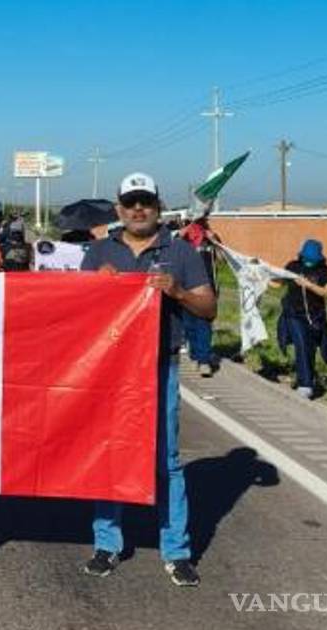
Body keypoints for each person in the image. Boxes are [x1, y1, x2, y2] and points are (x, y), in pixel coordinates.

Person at [79, 173, 216, 587]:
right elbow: (76, 310)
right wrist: (94, 286)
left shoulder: (180, 250)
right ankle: (106, 543)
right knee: (110, 453)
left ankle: (177, 551)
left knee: (166, 460)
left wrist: (178, 291)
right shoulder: (99, 251)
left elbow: (208, 307)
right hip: (110, 371)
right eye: (131, 202)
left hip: (159, 366)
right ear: (119, 208)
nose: (138, 209)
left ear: (158, 206)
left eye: (146, 202)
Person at [276, 240, 327, 400]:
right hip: (294, 314)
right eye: (307, 258)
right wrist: (260, 273)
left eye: (312, 259)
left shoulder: (324, 270)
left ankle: (308, 377)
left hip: (315, 317)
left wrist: (309, 285)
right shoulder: (293, 266)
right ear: (302, 255)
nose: (309, 261)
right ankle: (305, 384)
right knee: (301, 344)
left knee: (310, 348)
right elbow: (277, 283)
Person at [178, 216, 221, 376]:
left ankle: (204, 360)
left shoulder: (210, 239)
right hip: (186, 288)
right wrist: (182, 234)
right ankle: (195, 355)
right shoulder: (183, 240)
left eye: (202, 222)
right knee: (189, 324)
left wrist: (214, 241)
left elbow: (222, 258)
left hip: (206, 289)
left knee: (204, 324)